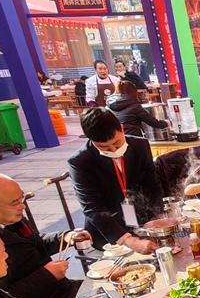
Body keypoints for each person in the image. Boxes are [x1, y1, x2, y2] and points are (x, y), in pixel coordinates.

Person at [67, 107, 160, 254]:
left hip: (143, 221)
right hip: (109, 233)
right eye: (104, 147)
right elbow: (93, 208)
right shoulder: (80, 162)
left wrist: (157, 216)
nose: (113, 150)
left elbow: (152, 186)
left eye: (117, 143)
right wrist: (130, 241)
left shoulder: (140, 145)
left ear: (122, 129)